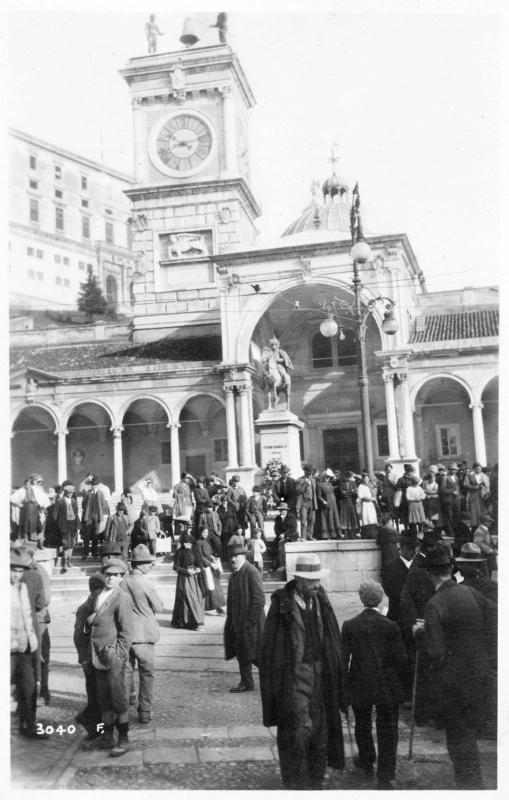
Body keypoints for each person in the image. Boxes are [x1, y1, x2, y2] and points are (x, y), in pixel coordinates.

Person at [260, 552, 345, 790]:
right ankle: (297, 783)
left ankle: (315, 780)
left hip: (320, 674)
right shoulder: (284, 601)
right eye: (311, 581)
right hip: (296, 676)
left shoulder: (320, 599)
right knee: (299, 729)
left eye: (318, 579)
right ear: (298, 579)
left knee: (320, 729)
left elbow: (332, 637)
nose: (316, 585)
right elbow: (272, 643)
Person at [415, 544, 496, 789]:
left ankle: (470, 786)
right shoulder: (471, 593)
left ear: (430, 573)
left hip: (454, 683)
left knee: (459, 738)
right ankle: (474, 781)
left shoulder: (435, 603)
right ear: (451, 569)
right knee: (471, 734)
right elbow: (494, 619)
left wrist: (420, 633)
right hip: (481, 674)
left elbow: (436, 651)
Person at [341, 580, 407, 790]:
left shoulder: (350, 625)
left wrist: (344, 686)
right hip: (386, 684)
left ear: (361, 599)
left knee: (362, 723)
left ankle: (367, 760)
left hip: (360, 682)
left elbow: (343, 659)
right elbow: (401, 659)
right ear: (380, 599)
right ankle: (385, 775)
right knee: (387, 729)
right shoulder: (390, 626)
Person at [81, 558, 133, 757]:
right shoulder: (97, 595)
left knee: (118, 700)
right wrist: (89, 623)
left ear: (121, 577)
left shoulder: (122, 597)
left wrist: (118, 656)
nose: (111, 578)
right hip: (96, 656)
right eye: (108, 574)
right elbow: (89, 621)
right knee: (102, 700)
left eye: (116, 575)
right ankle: (105, 736)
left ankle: (124, 739)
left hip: (112, 658)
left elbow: (127, 632)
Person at [121, 544, 164, 724]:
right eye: (147, 563)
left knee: (126, 675)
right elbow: (159, 607)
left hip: (126, 635)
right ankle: (144, 712)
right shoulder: (145, 583)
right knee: (147, 674)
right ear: (139, 565)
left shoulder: (122, 582)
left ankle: (121, 712)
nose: (150, 566)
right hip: (144, 636)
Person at [10, 547, 49, 740]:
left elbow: (32, 611)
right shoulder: (33, 577)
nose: (17, 574)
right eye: (13, 570)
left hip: (26, 644)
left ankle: (29, 725)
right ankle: (26, 723)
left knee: (29, 684)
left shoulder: (26, 584)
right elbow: (42, 603)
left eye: (19, 571)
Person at [224, 542, 265, 693]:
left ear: (243, 556)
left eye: (236, 556)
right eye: (230, 557)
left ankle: (272, 679)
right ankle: (246, 682)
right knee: (243, 653)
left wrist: (250, 622)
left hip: (251, 624)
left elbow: (259, 600)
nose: (233, 560)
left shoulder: (251, 571)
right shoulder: (234, 574)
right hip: (238, 623)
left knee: (256, 655)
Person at [74, 576, 106, 741]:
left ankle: (95, 724)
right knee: (96, 696)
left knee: (97, 696)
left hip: (98, 659)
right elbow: (79, 636)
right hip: (90, 659)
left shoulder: (96, 604)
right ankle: (96, 731)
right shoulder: (86, 608)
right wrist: (84, 659)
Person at [171, 533, 204, 631]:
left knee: (196, 599)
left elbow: (199, 564)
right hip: (184, 579)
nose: (186, 545)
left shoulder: (195, 551)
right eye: (184, 543)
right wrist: (186, 571)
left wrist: (198, 569)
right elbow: (175, 567)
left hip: (194, 579)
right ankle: (195, 623)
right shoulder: (179, 552)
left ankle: (189, 622)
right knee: (189, 600)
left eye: (188, 543)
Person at [10, 474, 50, 547]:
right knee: (25, 524)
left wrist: (40, 505)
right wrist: (19, 504)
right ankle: (25, 539)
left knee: (38, 525)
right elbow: (12, 498)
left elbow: (45, 500)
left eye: (29, 484)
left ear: (32, 484)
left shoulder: (36, 491)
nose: (28, 486)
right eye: (26, 484)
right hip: (24, 512)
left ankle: (38, 542)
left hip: (35, 511)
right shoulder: (22, 491)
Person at [193, 527, 225, 615]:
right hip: (204, 568)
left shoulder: (205, 542)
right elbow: (200, 557)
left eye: (206, 532)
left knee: (216, 588)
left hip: (211, 567)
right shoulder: (197, 543)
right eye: (203, 532)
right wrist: (210, 563)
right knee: (207, 589)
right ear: (200, 533)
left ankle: (219, 607)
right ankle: (200, 608)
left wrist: (213, 558)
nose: (205, 534)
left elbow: (208, 554)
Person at [53, 480, 79, 572]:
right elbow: (55, 515)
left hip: (73, 524)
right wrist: (59, 525)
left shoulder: (74, 501)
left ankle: (69, 561)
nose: (71, 494)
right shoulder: (60, 501)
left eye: (72, 493)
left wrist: (77, 524)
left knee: (72, 544)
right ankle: (64, 563)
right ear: (65, 493)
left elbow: (76, 513)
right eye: (69, 493)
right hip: (64, 525)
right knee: (65, 544)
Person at [81, 477, 109, 559]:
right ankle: (85, 552)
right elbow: (83, 504)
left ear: (98, 485)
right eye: (92, 485)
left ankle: (94, 552)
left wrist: (100, 514)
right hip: (88, 516)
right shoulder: (87, 493)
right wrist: (87, 512)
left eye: (95, 485)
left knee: (95, 535)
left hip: (97, 516)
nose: (94, 486)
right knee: (87, 535)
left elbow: (104, 505)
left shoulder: (100, 493)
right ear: (91, 485)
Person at [315, 471, 342, 539]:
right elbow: (318, 496)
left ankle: (335, 534)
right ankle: (326, 535)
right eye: (326, 477)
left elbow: (336, 480)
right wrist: (323, 501)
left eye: (328, 477)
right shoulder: (320, 485)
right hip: (326, 503)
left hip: (333, 504)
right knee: (327, 518)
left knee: (334, 518)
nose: (327, 478)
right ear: (323, 477)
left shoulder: (330, 484)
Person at [296, 464, 319, 540]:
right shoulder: (300, 480)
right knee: (303, 520)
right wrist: (305, 484)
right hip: (304, 502)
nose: (310, 475)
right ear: (305, 472)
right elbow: (298, 491)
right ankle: (303, 536)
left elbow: (315, 491)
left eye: (311, 473)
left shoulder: (314, 480)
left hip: (312, 502)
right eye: (308, 473)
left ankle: (309, 536)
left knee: (312, 520)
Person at [463, 463, 490, 527]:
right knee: (474, 510)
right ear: (474, 469)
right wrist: (475, 487)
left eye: (480, 469)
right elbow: (466, 485)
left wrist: (485, 489)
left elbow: (487, 485)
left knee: (482, 510)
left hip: (482, 496)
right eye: (477, 469)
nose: (478, 470)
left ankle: (482, 524)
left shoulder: (483, 475)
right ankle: (474, 525)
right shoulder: (469, 475)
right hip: (473, 495)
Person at [439, 462, 461, 538]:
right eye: (452, 470)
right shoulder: (445, 478)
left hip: (456, 500)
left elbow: (458, 487)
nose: (454, 471)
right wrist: (452, 491)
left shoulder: (456, 478)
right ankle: (450, 532)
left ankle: (456, 531)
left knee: (456, 516)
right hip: (448, 500)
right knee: (449, 516)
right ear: (449, 470)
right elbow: (442, 489)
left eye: (455, 470)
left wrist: (458, 494)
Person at [338, 471, 360, 538]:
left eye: (351, 477)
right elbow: (342, 494)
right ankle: (346, 533)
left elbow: (355, 493)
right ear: (346, 477)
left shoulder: (353, 483)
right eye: (349, 477)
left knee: (352, 517)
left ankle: (352, 533)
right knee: (345, 517)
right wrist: (350, 493)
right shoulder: (342, 484)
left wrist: (347, 493)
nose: (350, 479)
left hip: (351, 502)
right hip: (344, 503)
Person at [357, 473, 379, 539]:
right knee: (366, 517)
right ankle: (366, 534)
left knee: (372, 517)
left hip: (371, 504)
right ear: (362, 479)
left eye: (367, 478)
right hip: (365, 504)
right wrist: (369, 498)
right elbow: (360, 496)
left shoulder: (370, 485)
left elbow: (374, 494)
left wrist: (374, 498)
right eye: (364, 478)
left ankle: (373, 534)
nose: (366, 480)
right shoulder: (360, 486)